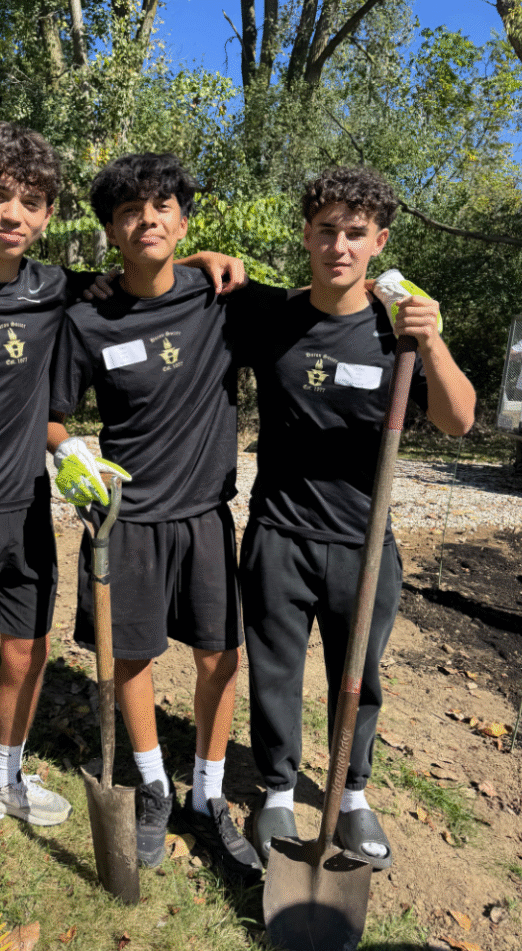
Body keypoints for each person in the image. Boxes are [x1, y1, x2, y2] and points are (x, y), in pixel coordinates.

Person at [0, 124, 242, 893]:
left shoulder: (57, 288)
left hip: (28, 508)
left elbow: (142, 271)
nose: (13, 213)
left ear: (47, 213)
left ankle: (7, 772)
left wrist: (199, 258)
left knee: (25, 656)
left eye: (31, 202)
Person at [240, 166, 476, 869]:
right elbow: (186, 288)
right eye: (324, 231)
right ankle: (277, 785)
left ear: (378, 241)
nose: (337, 245)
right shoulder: (272, 316)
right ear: (306, 236)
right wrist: (207, 257)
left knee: (358, 673)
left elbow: (459, 421)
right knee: (274, 668)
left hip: (362, 540)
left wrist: (430, 341)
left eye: (353, 233)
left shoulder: (398, 328)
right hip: (278, 532)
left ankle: (348, 793)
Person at [48, 153, 263, 885]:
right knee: (128, 656)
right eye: (130, 211)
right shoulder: (86, 317)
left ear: (182, 218)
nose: (148, 219)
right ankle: (150, 785)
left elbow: (322, 304)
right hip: (125, 518)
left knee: (219, 659)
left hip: (204, 515)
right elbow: (53, 415)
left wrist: (213, 259)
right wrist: (73, 454)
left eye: (163, 206)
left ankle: (206, 796)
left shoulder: (223, 295)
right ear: (110, 229)